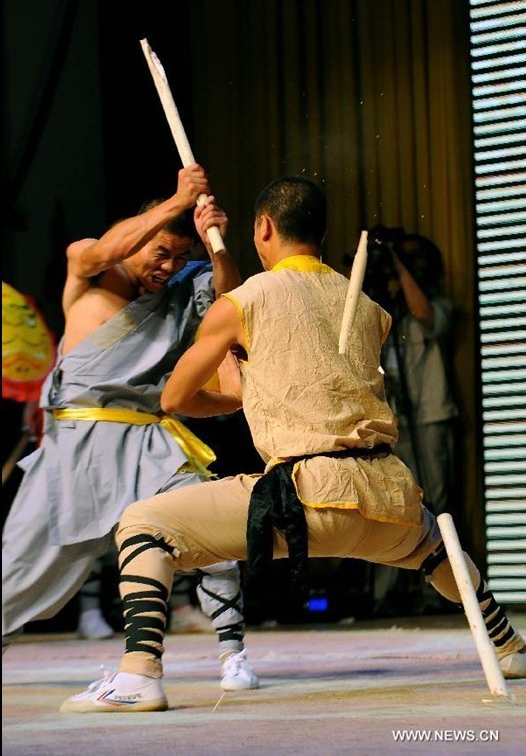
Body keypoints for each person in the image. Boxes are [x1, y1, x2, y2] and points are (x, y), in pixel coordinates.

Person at [60, 175, 525, 713]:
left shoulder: (246, 300)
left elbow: (174, 398)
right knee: (436, 549)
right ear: (320, 233)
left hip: (304, 501)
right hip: (389, 500)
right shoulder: (368, 307)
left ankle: (138, 676)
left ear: (263, 227)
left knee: (144, 523)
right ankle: (509, 646)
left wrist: (228, 374)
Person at [2, 163, 259, 691]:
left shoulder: (180, 291)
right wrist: (178, 201)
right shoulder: (90, 268)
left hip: (148, 441)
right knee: (21, 568)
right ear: (141, 233)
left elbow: (228, 303)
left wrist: (216, 248)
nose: (168, 267)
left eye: (180, 258)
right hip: (77, 446)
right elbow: (101, 252)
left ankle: (233, 655)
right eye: (160, 252)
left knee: (214, 528)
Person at [363, 229, 461, 615]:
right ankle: (386, 595)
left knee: (438, 502)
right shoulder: (391, 317)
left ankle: (443, 593)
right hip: (398, 424)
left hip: (433, 417)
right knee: (395, 506)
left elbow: (425, 314)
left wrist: (398, 265)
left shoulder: (440, 308)